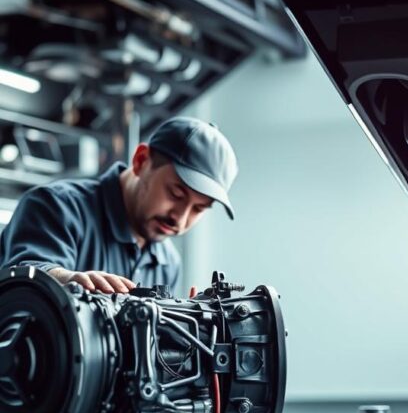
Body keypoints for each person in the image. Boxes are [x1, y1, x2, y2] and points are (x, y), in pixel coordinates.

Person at [0, 117, 238, 293]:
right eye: (176, 193)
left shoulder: (168, 262)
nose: (181, 219)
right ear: (141, 161)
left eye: (198, 209)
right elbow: (24, 277)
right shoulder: (56, 206)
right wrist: (68, 280)